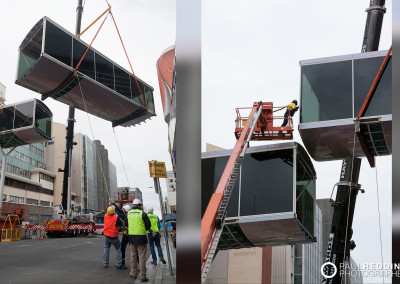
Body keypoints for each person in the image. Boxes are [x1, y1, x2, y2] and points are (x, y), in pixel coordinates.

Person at [126, 199, 151, 281]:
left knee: (133, 255)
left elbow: (125, 224)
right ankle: (143, 276)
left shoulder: (128, 213)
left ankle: (133, 273)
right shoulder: (142, 214)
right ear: (139, 205)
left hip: (132, 237)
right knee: (141, 257)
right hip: (141, 238)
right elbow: (148, 225)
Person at [111, 201, 131, 268]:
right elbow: (119, 210)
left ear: (125, 210)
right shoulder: (127, 214)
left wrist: (113, 207)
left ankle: (122, 263)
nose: (123, 210)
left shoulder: (125, 215)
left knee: (123, 248)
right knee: (132, 249)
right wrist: (113, 203)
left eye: (124, 209)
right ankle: (138, 264)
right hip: (129, 234)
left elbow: (118, 213)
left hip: (127, 235)